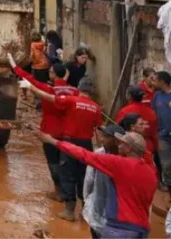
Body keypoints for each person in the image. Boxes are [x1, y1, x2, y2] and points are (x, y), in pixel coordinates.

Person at [38, 130, 156, 238]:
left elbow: (83, 154)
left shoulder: (119, 164)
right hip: (141, 229)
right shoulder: (151, 172)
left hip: (119, 227)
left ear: (129, 148)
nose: (119, 145)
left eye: (122, 143)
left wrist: (53, 141)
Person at [27, 75, 103, 221]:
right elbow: (98, 129)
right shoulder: (96, 107)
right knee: (84, 176)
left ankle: (69, 211)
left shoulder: (72, 101)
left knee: (67, 174)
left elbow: (51, 98)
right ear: (91, 91)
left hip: (70, 143)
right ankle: (85, 210)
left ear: (79, 88)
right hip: (87, 145)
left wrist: (33, 88)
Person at [12, 60, 79, 201]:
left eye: (51, 72)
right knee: (67, 163)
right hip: (69, 133)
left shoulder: (48, 90)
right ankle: (70, 194)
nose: (49, 74)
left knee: (53, 162)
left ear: (54, 75)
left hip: (50, 132)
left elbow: (30, 80)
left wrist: (15, 67)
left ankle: (59, 191)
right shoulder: (75, 91)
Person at [83, 124, 125, 238]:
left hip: (116, 214)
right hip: (98, 207)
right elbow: (89, 179)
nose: (102, 139)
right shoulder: (98, 154)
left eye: (106, 137)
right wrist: (87, 200)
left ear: (117, 141)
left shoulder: (126, 160)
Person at [116, 85, 158, 160]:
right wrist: (156, 148)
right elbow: (155, 134)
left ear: (129, 96)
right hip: (147, 147)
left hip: (130, 149)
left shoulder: (124, 111)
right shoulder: (151, 112)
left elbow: (118, 131)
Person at [152, 71, 171, 189]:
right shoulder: (157, 96)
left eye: (155, 80)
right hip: (162, 136)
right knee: (166, 163)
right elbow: (153, 114)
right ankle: (168, 185)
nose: (153, 82)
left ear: (162, 82)